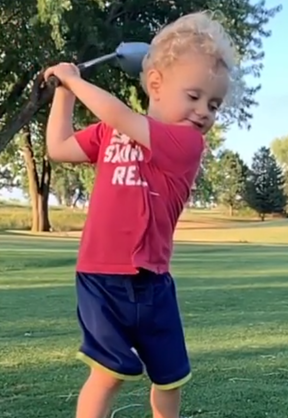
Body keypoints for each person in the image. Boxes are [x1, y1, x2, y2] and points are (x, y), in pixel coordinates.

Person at [43, 11, 235, 418]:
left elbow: (119, 115)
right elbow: (58, 148)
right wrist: (63, 90)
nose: (204, 111)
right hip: (100, 276)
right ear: (156, 85)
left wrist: (77, 81)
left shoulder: (186, 144)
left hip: (153, 285)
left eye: (214, 104)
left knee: (169, 378)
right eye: (194, 96)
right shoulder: (110, 134)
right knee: (108, 375)